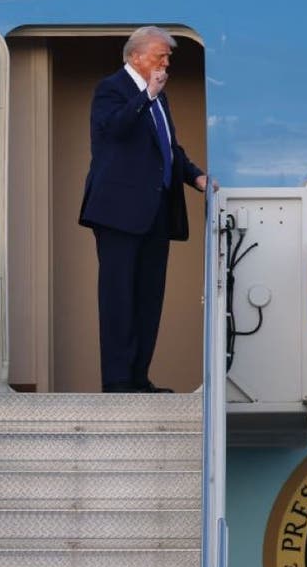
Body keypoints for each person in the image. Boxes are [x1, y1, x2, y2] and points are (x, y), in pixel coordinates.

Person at [79, 26, 215, 393]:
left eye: (168, 57)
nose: (167, 62)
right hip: (118, 213)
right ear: (136, 56)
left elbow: (170, 148)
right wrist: (147, 96)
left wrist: (196, 177)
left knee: (148, 298)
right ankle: (118, 382)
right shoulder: (111, 89)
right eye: (161, 55)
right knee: (119, 297)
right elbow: (114, 130)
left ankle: (139, 378)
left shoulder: (158, 97)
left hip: (155, 212)